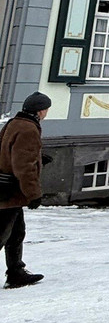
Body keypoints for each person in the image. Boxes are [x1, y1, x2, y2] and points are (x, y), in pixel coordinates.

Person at [0, 91, 50, 289]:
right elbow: (24, 166)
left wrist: (39, 159)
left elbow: (8, 152)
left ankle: (16, 272)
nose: (46, 112)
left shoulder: (14, 123)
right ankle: (15, 273)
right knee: (2, 234)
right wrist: (34, 194)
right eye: (46, 109)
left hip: (7, 188)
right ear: (40, 111)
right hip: (11, 191)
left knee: (16, 233)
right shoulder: (29, 129)